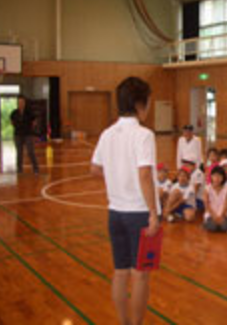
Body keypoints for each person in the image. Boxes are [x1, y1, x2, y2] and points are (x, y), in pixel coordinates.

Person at [90, 77, 161, 325]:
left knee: (120, 273)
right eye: (149, 101)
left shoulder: (107, 133)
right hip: (138, 213)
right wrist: (153, 212)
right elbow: (144, 174)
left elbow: (95, 168)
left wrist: (118, 178)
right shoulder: (144, 135)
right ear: (140, 103)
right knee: (140, 276)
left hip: (115, 213)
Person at [10, 95, 39, 174]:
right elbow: (12, 122)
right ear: (17, 103)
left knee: (30, 151)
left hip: (28, 135)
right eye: (19, 102)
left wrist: (30, 128)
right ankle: (19, 169)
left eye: (22, 102)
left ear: (25, 103)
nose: (21, 104)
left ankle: (36, 168)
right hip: (18, 135)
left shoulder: (29, 112)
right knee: (19, 152)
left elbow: (34, 121)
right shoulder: (14, 113)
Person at [203, 166, 227, 232]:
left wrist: (221, 216)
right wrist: (214, 216)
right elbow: (207, 205)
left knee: (224, 227)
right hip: (211, 214)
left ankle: (218, 223)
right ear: (211, 177)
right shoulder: (207, 189)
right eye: (215, 176)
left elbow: (226, 205)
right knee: (212, 227)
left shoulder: (226, 189)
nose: (217, 178)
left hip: (223, 214)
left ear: (223, 178)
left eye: (219, 176)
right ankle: (207, 223)